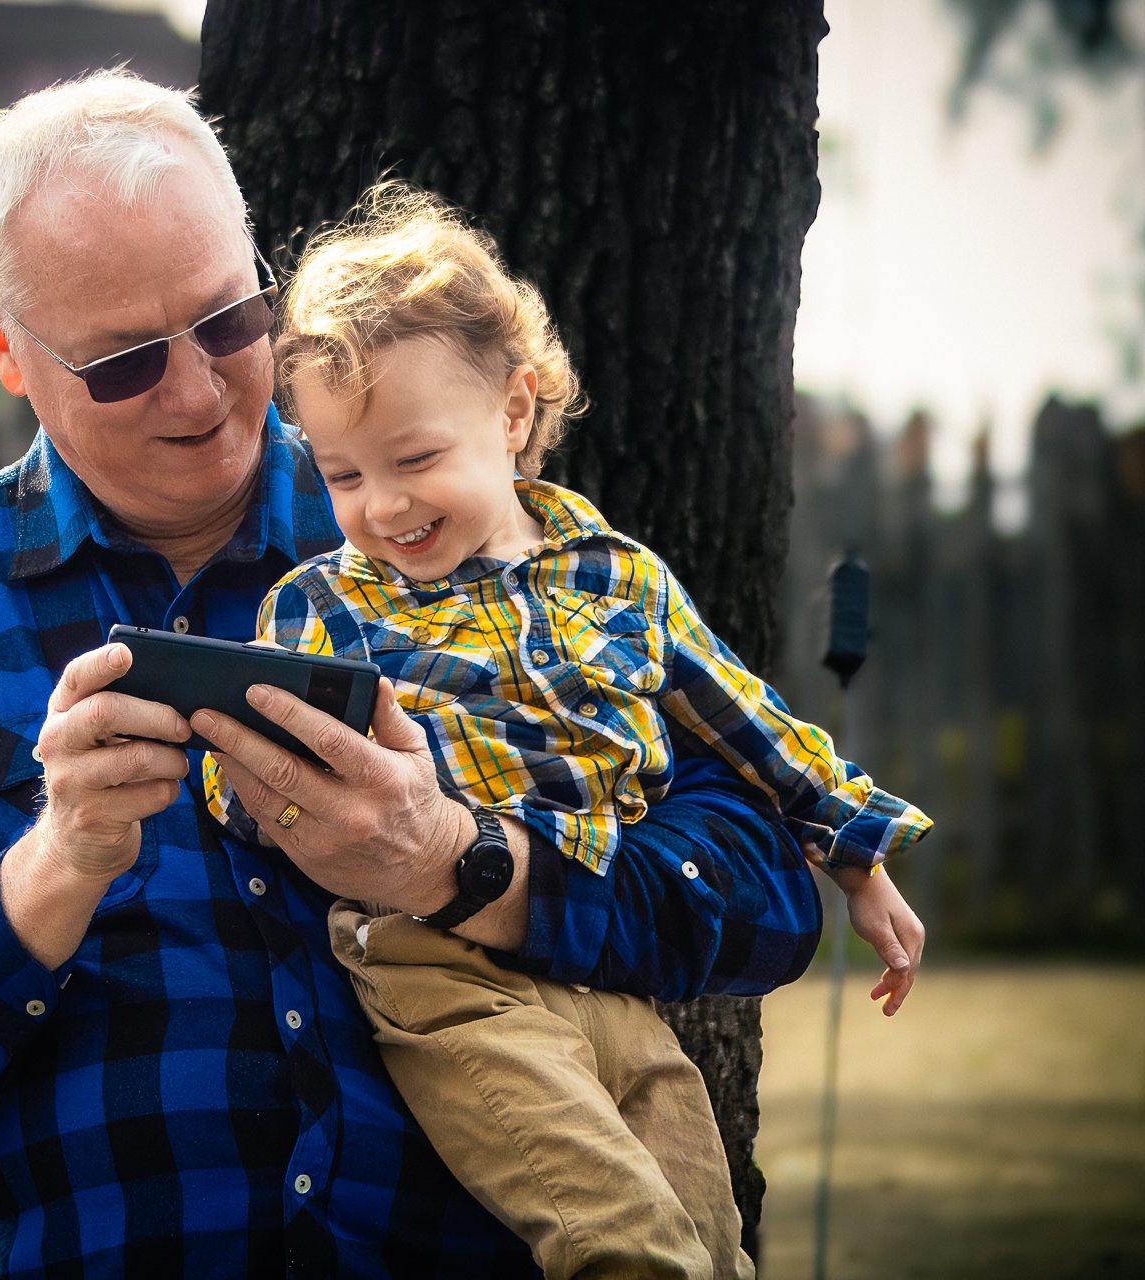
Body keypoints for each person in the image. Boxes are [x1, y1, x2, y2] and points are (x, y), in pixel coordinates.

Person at [0, 69, 782, 1279]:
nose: (198, 391)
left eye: (230, 319)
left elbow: (761, 888)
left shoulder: (443, 514)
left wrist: (460, 864)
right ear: (4, 349)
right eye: (124, 362)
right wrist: (49, 872)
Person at [201, 184, 932, 1279]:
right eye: (342, 473)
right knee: (623, 1248)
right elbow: (259, 764)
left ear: (510, 412)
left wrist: (856, 854)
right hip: (446, 975)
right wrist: (259, 792)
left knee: (713, 1244)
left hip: (612, 977)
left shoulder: (618, 578)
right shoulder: (327, 605)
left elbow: (751, 724)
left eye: (413, 459)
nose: (380, 505)